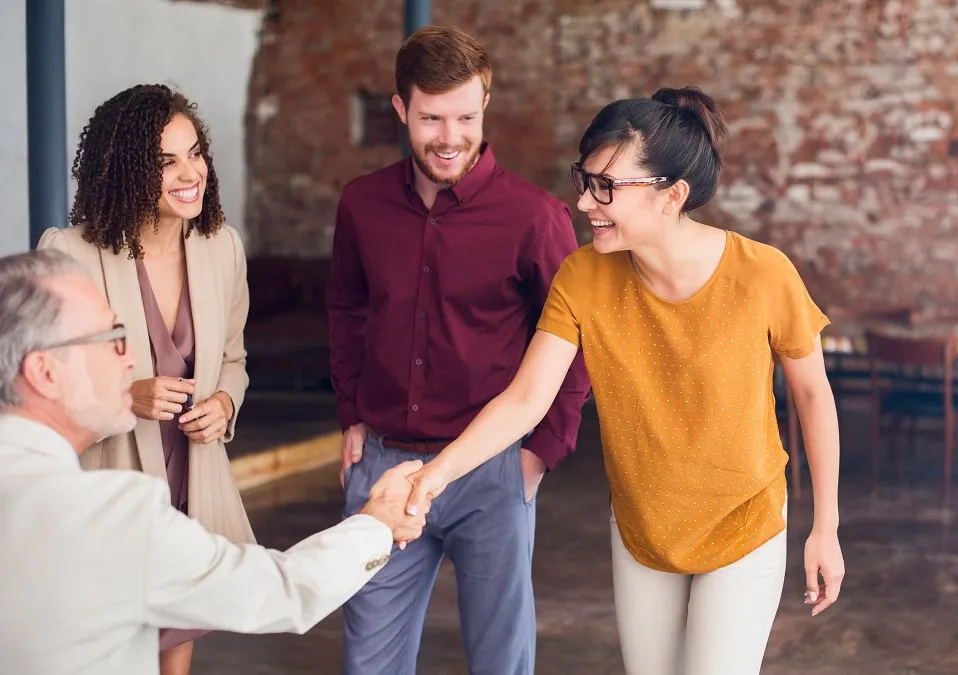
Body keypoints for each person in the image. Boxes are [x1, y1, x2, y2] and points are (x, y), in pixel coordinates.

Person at [405, 86, 846, 674]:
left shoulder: (763, 273)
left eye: (606, 187)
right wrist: (435, 475)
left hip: (744, 520)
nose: (587, 202)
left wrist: (826, 527)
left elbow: (814, 397)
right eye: (584, 180)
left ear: (673, 195)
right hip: (641, 526)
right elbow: (526, 398)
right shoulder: (584, 276)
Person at [0, 249, 429, 675]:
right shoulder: (111, 515)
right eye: (110, 339)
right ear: (45, 372)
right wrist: (378, 523)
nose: (130, 358)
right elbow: (284, 590)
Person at [326, 25, 591, 675]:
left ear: (485, 107)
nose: (450, 137)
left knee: (502, 659)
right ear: (400, 110)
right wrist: (352, 413)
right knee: (369, 660)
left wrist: (541, 452)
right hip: (384, 466)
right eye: (432, 118)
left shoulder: (535, 217)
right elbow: (347, 308)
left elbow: (577, 338)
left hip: (494, 471)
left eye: (466, 117)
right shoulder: (361, 205)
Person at [38, 84, 253, 675]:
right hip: (110, 488)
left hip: (192, 481)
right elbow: (39, 388)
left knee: (176, 643)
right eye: (165, 162)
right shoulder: (69, 255)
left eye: (195, 153)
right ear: (128, 169)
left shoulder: (221, 248)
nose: (190, 174)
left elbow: (233, 359)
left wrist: (224, 404)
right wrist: (122, 395)